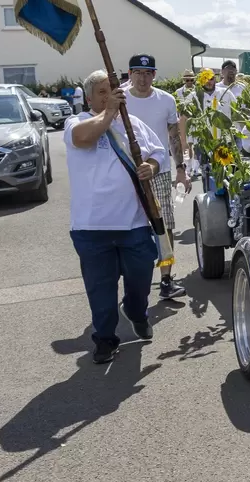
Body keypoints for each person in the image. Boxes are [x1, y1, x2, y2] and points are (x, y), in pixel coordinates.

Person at [64, 70, 167, 363]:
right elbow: (83, 139)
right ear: (88, 98)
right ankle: (105, 339)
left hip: (133, 223)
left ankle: (135, 311)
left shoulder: (134, 125)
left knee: (141, 280)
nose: (108, 95)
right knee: (101, 289)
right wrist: (109, 112)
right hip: (91, 227)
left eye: (111, 89)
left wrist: (151, 167)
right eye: (100, 91)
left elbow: (158, 153)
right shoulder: (77, 122)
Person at [124, 54, 189, 300]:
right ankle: (133, 283)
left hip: (159, 171)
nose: (143, 78)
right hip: (127, 172)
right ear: (130, 74)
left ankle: (166, 279)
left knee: (164, 226)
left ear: (154, 74)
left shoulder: (166, 100)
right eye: (138, 73)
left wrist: (180, 168)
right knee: (130, 227)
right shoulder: (121, 100)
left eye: (148, 73)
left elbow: (173, 137)